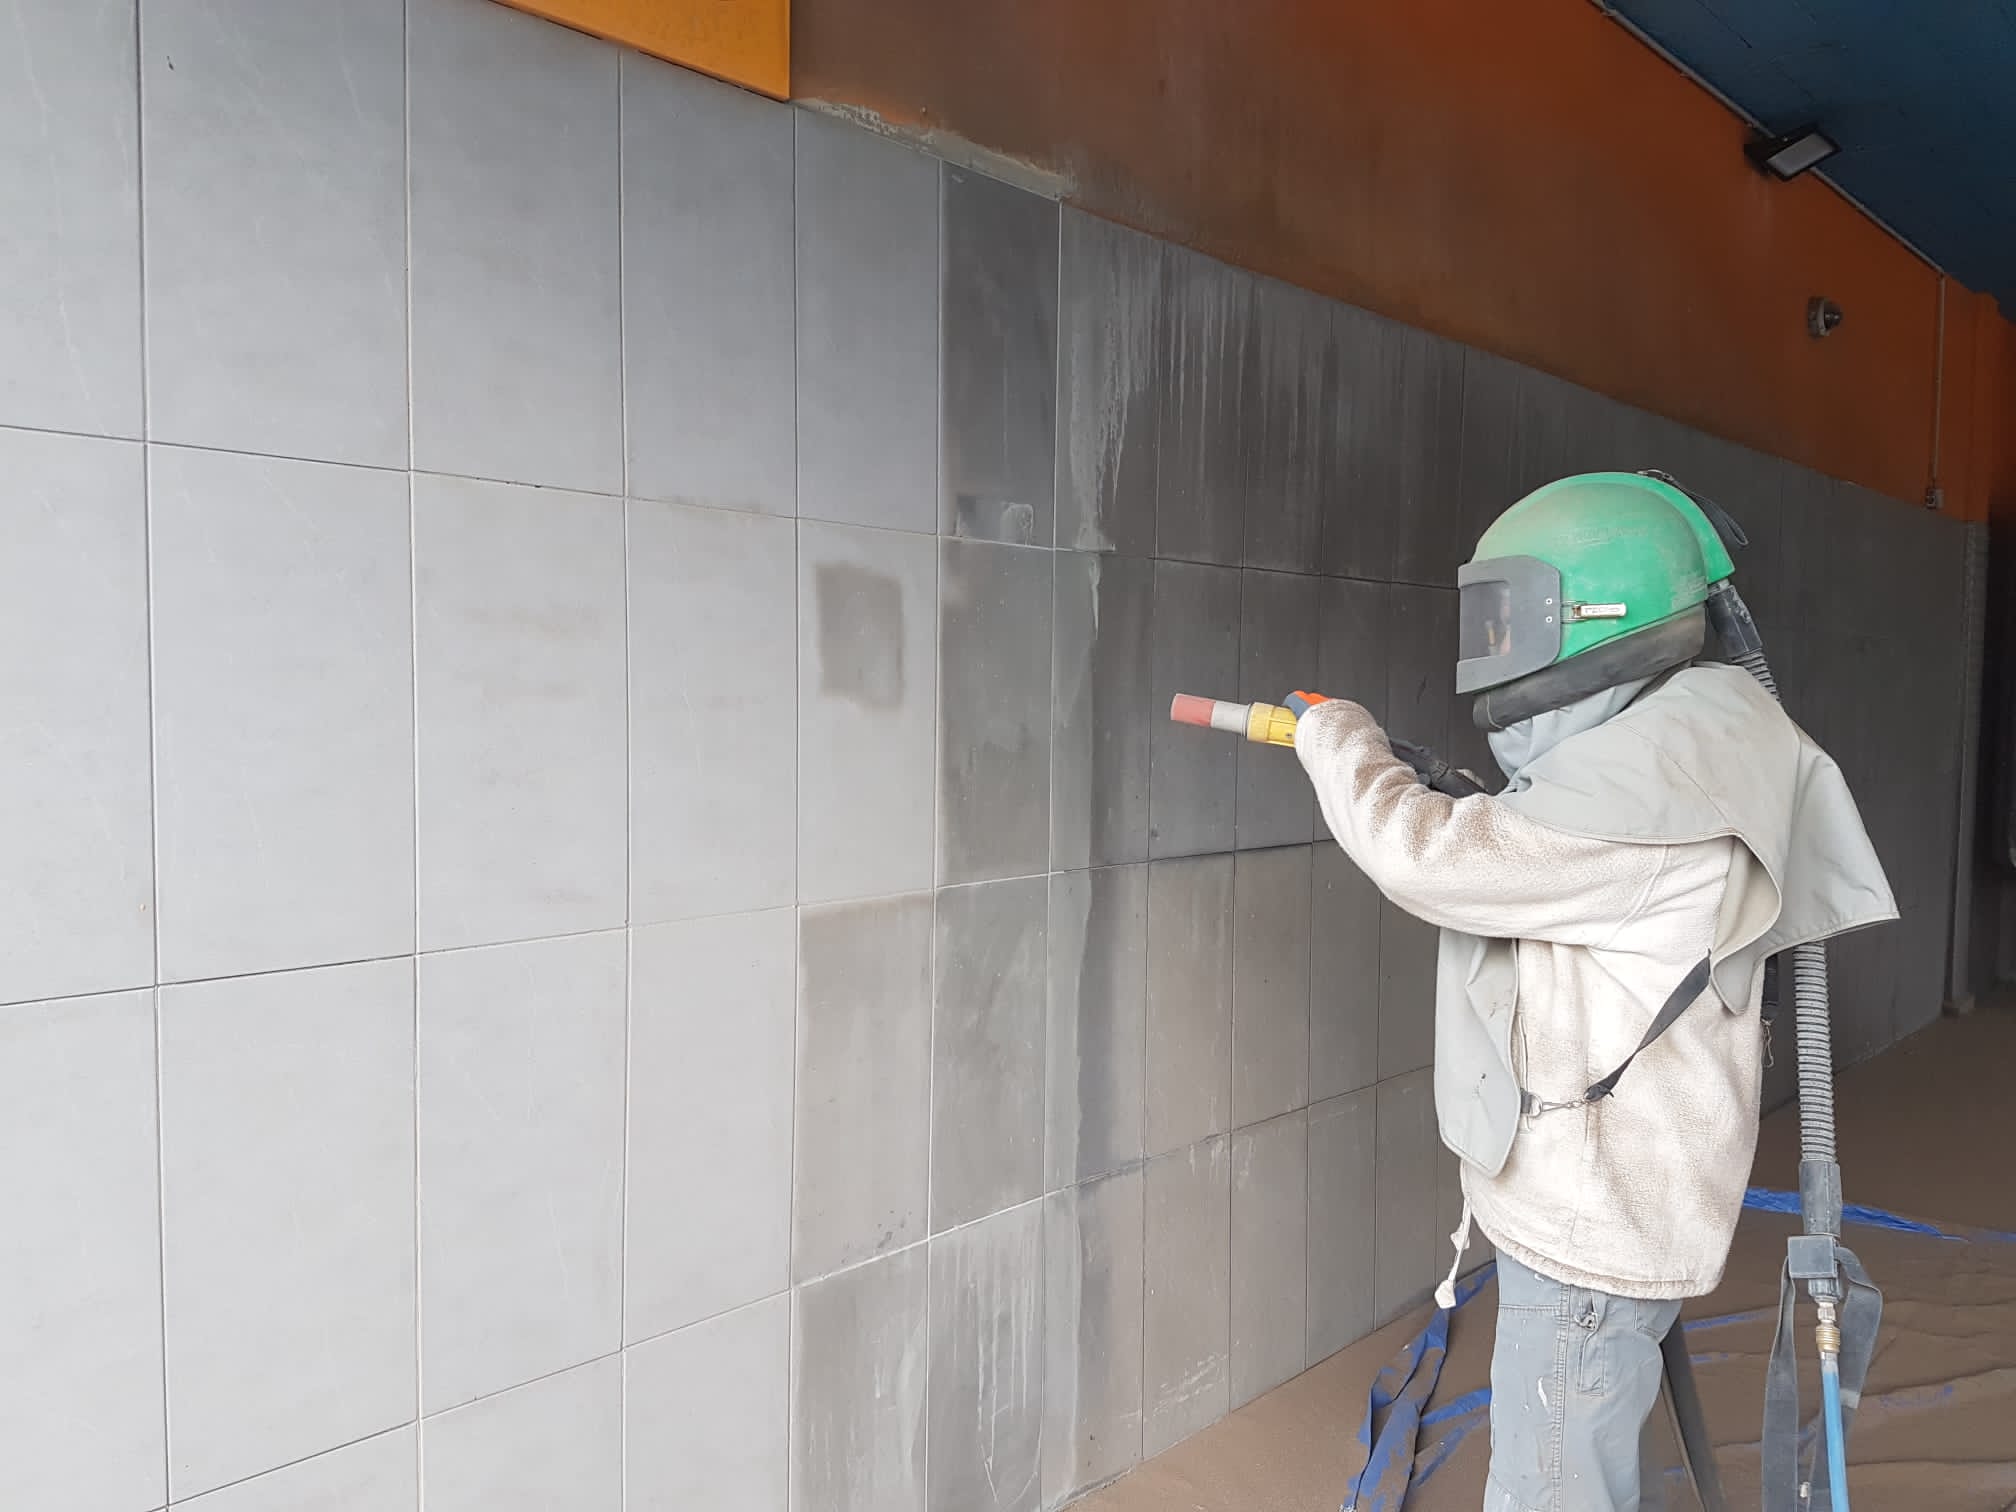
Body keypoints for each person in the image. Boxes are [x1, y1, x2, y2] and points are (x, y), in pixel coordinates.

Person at [1286, 472, 1895, 1512]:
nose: (1495, 645)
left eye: (1510, 621)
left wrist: (1336, 736)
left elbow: (1423, 856)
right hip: (1627, 1219)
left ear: (1596, 615)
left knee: (1554, 1484)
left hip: (1587, 1245)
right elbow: (1554, 852)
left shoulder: (1653, 799)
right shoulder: (1700, 737)